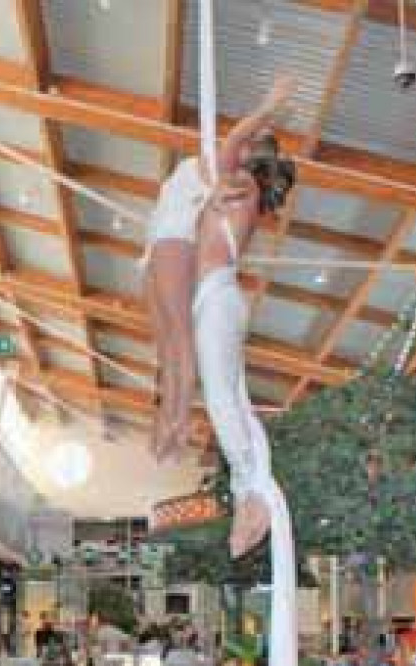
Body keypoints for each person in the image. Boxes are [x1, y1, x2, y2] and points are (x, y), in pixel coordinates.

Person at [144, 75, 296, 462]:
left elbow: (232, 140)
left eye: (250, 142)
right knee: (167, 345)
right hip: (165, 242)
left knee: (178, 339)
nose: (241, 141)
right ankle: (170, 421)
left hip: (176, 239)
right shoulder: (228, 182)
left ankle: (175, 423)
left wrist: (268, 105)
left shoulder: (230, 175)